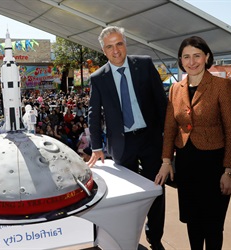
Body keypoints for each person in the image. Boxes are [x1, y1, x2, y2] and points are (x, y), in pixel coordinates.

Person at [155, 36, 231, 250]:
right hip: (186, 164)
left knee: (212, 225)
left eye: (196, 55)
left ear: (207, 57)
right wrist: (166, 160)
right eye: (186, 56)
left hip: (214, 165)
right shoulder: (176, 89)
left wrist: (229, 171)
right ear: (180, 60)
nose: (191, 61)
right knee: (192, 221)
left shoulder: (222, 85)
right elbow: (170, 127)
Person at [87, 26, 168, 250]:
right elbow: (93, 115)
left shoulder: (144, 64)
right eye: (110, 46)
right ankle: (128, 238)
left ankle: (156, 239)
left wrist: (168, 139)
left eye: (119, 44)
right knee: (129, 196)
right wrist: (96, 147)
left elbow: (162, 104)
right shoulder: (98, 78)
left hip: (151, 140)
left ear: (126, 44)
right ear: (104, 50)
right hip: (122, 145)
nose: (116, 50)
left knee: (157, 191)